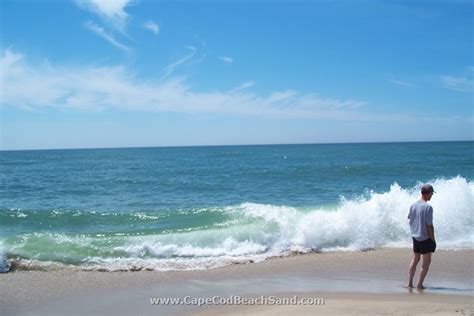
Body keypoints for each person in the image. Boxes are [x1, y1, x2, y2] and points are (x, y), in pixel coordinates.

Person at [407, 184, 436, 290]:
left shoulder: (413, 205)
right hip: (425, 238)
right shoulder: (428, 207)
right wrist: (433, 240)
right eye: (432, 193)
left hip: (415, 237)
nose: (432, 195)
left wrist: (414, 230)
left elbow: (409, 219)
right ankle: (419, 284)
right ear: (428, 193)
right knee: (426, 262)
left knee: (415, 259)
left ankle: (409, 283)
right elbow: (430, 226)